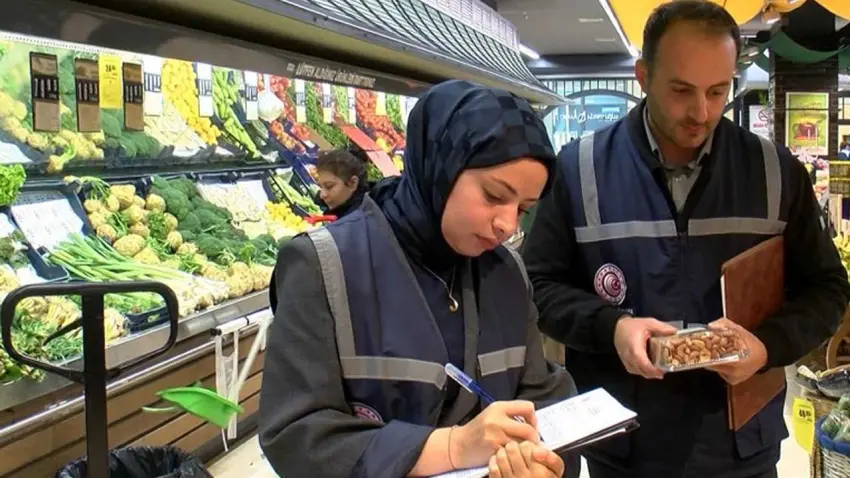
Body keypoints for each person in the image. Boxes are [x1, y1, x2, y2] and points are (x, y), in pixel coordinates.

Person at [522, 2, 850, 478]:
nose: (701, 112)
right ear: (643, 76)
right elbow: (538, 285)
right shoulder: (579, 170)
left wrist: (766, 346)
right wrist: (610, 329)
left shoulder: (777, 173)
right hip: (624, 445)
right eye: (681, 91)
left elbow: (827, 290)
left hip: (742, 446)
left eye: (718, 91)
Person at [259, 80, 579, 478]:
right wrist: (453, 447)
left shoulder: (507, 273)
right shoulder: (322, 265)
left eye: (524, 207)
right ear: (440, 166)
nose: (507, 224)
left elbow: (541, 395)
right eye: (495, 195)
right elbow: (296, 435)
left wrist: (543, 462)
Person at [315, 148, 368, 218]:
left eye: (329, 186)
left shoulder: (355, 222)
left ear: (352, 183)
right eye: (321, 187)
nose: (322, 195)